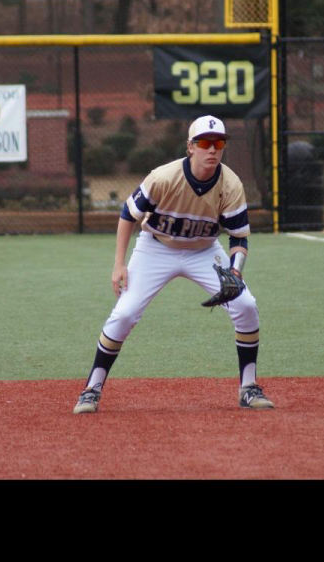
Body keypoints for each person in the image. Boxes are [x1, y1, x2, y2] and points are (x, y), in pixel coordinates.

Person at [73, 115, 275, 414]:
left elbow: (239, 237)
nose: (212, 149)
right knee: (125, 313)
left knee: (245, 305)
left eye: (219, 143)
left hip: (204, 251)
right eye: (204, 143)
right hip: (156, 248)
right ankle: (92, 389)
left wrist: (235, 272)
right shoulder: (164, 177)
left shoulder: (231, 184)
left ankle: (248, 387)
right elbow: (128, 215)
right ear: (190, 147)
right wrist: (119, 264)